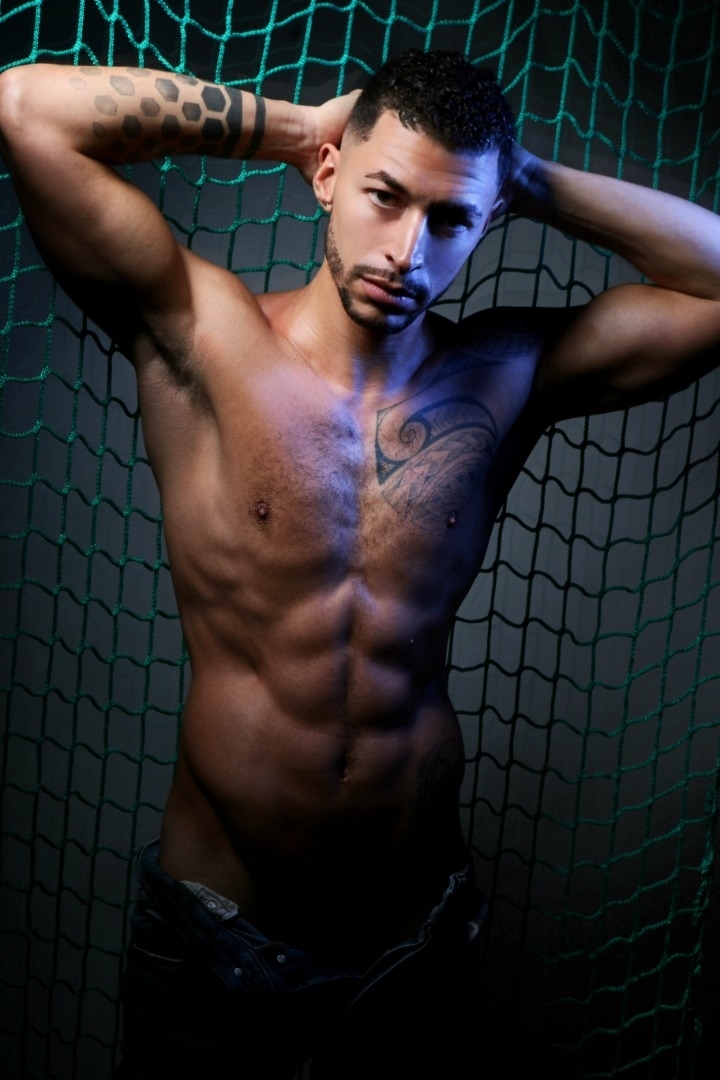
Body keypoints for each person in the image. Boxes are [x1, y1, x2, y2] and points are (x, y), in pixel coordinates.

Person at [1, 48, 719, 1079]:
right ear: (333, 177)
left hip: (412, 939)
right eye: (386, 196)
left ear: (487, 220)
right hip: (219, 937)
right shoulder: (204, 332)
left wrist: (521, 177)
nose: (407, 251)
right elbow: (27, 107)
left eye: (451, 219)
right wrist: (298, 128)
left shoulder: (503, 375)